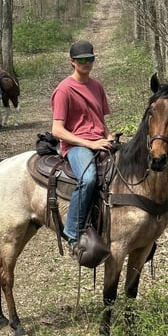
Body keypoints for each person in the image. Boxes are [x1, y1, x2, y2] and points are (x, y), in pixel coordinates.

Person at [50, 41, 114, 250]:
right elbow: (57, 130)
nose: (87, 63)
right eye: (82, 60)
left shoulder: (97, 86)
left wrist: (109, 136)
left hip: (99, 141)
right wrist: (90, 143)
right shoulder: (64, 90)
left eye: (90, 59)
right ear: (72, 62)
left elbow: (100, 121)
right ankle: (72, 231)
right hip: (76, 145)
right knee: (88, 179)